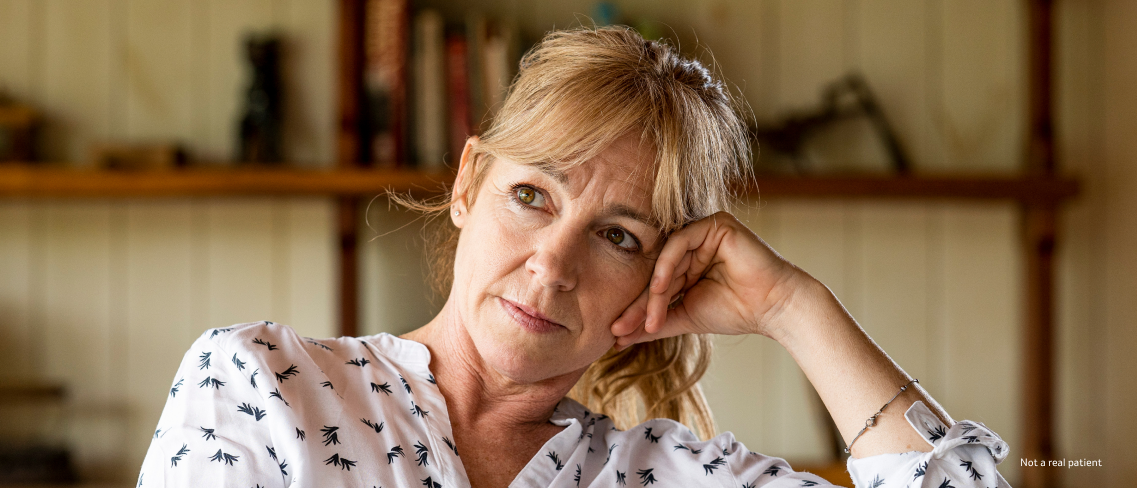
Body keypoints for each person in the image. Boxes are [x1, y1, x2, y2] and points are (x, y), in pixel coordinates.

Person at [138, 26, 1010, 487]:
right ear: (468, 181)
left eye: (619, 236)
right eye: (532, 196)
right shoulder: (262, 387)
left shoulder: (672, 478)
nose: (553, 265)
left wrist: (793, 307)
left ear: (663, 280)